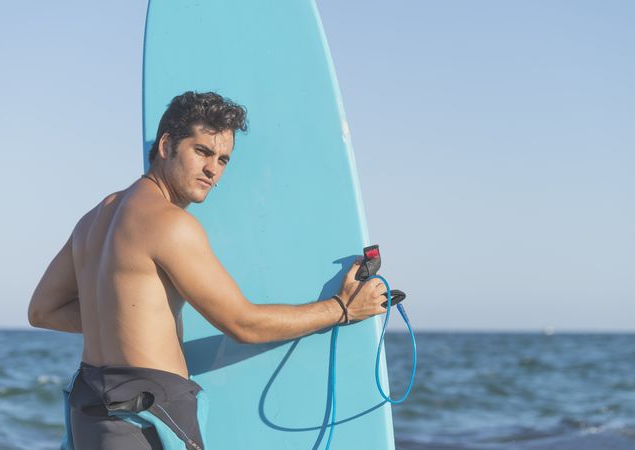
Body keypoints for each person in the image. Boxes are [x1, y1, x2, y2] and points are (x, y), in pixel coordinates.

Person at [27, 91, 388, 449]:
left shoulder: (94, 220)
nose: (212, 169)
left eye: (223, 159)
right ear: (167, 146)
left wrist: (123, 318)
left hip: (90, 411)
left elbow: (43, 311)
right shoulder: (169, 224)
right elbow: (242, 323)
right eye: (201, 151)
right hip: (146, 417)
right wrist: (341, 309)